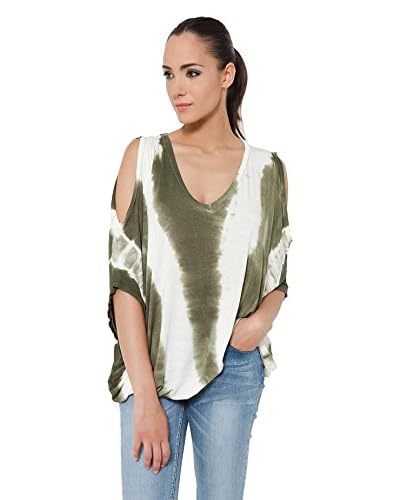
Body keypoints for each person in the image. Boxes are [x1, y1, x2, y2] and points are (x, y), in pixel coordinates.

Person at [107, 16, 293, 500]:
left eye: (192, 72)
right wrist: (145, 396)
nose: (177, 88)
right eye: (168, 74)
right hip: (152, 366)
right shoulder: (143, 156)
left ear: (226, 75)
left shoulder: (267, 169)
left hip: (233, 368)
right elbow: (124, 283)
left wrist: (259, 324)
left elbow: (277, 274)